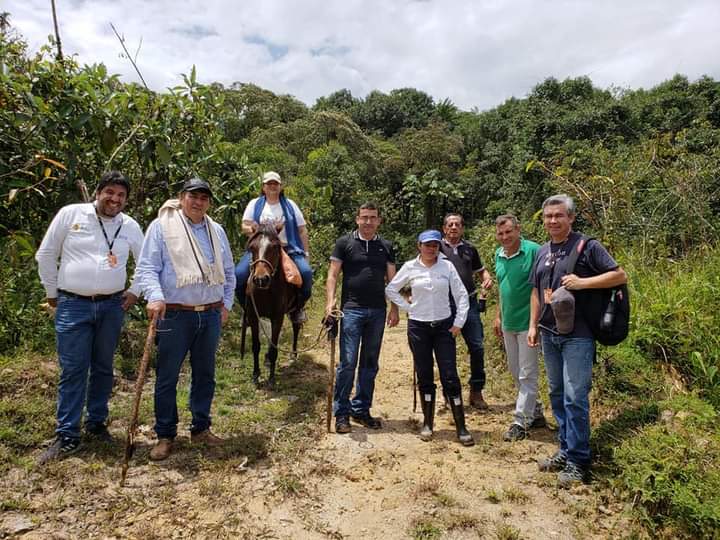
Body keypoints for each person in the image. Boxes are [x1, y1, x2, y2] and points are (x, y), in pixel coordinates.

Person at [35, 171, 144, 464]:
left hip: (112, 307)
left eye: (121, 195)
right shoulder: (71, 215)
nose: (115, 199)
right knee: (73, 369)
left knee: (103, 367)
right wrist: (51, 293)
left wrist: (134, 292)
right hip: (73, 304)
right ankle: (67, 435)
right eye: (110, 192)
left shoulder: (130, 225)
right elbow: (45, 254)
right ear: (97, 192)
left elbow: (146, 262)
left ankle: (96, 423)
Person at [528, 194, 627, 487]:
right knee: (557, 394)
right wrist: (533, 325)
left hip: (579, 335)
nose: (553, 221)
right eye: (548, 216)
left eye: (559, 216)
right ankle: (566, 449)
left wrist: (582, 282)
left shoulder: (588, 246)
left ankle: (579, 461)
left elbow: (619, 275)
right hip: (549, 332)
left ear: (571, 218)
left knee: (575, 397)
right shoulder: (543, 251)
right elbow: (536, 291)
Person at [136, 177, 236, 461]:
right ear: (182, 198)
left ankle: (201, 428)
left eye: (204, 197)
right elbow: (147, 268)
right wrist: (154, 297)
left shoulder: (216, 231)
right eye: (193, 196)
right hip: (175, 314)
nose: (198, 201)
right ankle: (165, 434)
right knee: (167, 376)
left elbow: (228, 272)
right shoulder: (162, 227)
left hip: (211, 313)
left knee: (205, 374)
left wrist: (226, 304)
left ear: (209, 202)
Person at [386, 230, 474, 446]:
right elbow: (391, 289)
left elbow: (461, 295)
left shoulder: (447, 266)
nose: (431, 249)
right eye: (427, 245)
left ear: (438, 247)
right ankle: (427, 423)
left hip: (444, 327)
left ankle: (461, 426)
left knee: (450, 376)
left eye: (435, 245)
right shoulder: (410, 267)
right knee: (425, 375)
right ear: (419, 246)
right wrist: (408, 308)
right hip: (419, 328)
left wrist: (458, 322)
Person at [326, 203, 399, 433]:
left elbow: (393, 280)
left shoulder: (385, 246)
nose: (368, 222)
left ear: (379, 221)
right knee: (347, 363)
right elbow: (333, 274)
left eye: (373, 218)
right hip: (351, 310)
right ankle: (341, 414)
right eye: (364, 217)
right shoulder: (344, 243)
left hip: (377, 311)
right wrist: (330, 302)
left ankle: (361, 409)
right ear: (357, 219)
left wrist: (395, 308)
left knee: (370, 363)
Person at [493, 214, 546, 442]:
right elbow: (502, 287)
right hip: (508, 322)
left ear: (518, 229)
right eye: (500, 233)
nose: (505, 237)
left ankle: (520, 422)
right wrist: (498, 316)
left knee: (527, 373)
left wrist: (536, 323)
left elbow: (543, 286)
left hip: (529, 323)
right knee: (516, 371)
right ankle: (536, 411)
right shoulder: (499, 254)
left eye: (508, 232)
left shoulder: (535, 250)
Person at [235, 171, 312, 324]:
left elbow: (302, 230)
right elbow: (244, 225)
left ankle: (298, 308)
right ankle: (247, 310)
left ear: (280, 186)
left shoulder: (290, 205)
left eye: (275, 184)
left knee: (306, 273)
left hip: (287, 248)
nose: (272, 186)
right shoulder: (254, 204)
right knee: (239, 274)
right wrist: (252, 229)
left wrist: (306, 253)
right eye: (269, 184)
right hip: (261, 249)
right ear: (263, 187)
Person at [440, 213, 492, 409]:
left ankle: (476, 391)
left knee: (477, 347)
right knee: (446, 350)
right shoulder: (436, 248)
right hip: (445, 305)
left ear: (462, 228)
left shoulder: (470, 249)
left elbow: (480, 271)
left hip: (468, 303)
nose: (454, 227)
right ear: (444, 228)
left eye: (457, 225)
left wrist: (486, 278)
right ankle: (449, 392)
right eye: (450, 224)